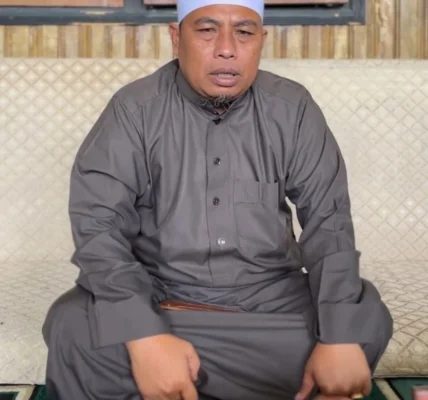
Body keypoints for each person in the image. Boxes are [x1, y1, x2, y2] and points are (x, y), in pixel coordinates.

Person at [42, 0, 393, 398]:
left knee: (365, 317)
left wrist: (339, 338)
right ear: (176, 38)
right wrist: (145, 335)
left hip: (270, 301)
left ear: (261, 40)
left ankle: (177, 376)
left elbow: (329, 224)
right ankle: (247, 376)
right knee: (72, 325)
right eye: (207, 30)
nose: (227, 48)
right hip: (162, 297)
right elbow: (98, 226)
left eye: (243, 32)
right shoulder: (134, 109)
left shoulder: (292, 108)